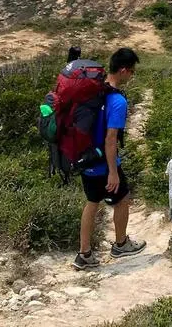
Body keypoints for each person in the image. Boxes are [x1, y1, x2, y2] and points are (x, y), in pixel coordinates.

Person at [73, 47, 147, 270]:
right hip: (104, 164)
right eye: (132, 72)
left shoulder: (92, 92)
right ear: (124, 70)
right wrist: (113, 171)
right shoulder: (117, 101)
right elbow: (111, 139)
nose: (132, 76)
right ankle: (121, 244)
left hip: (85, 159)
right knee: (122, 199)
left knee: (91, 203)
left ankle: (84, 254)